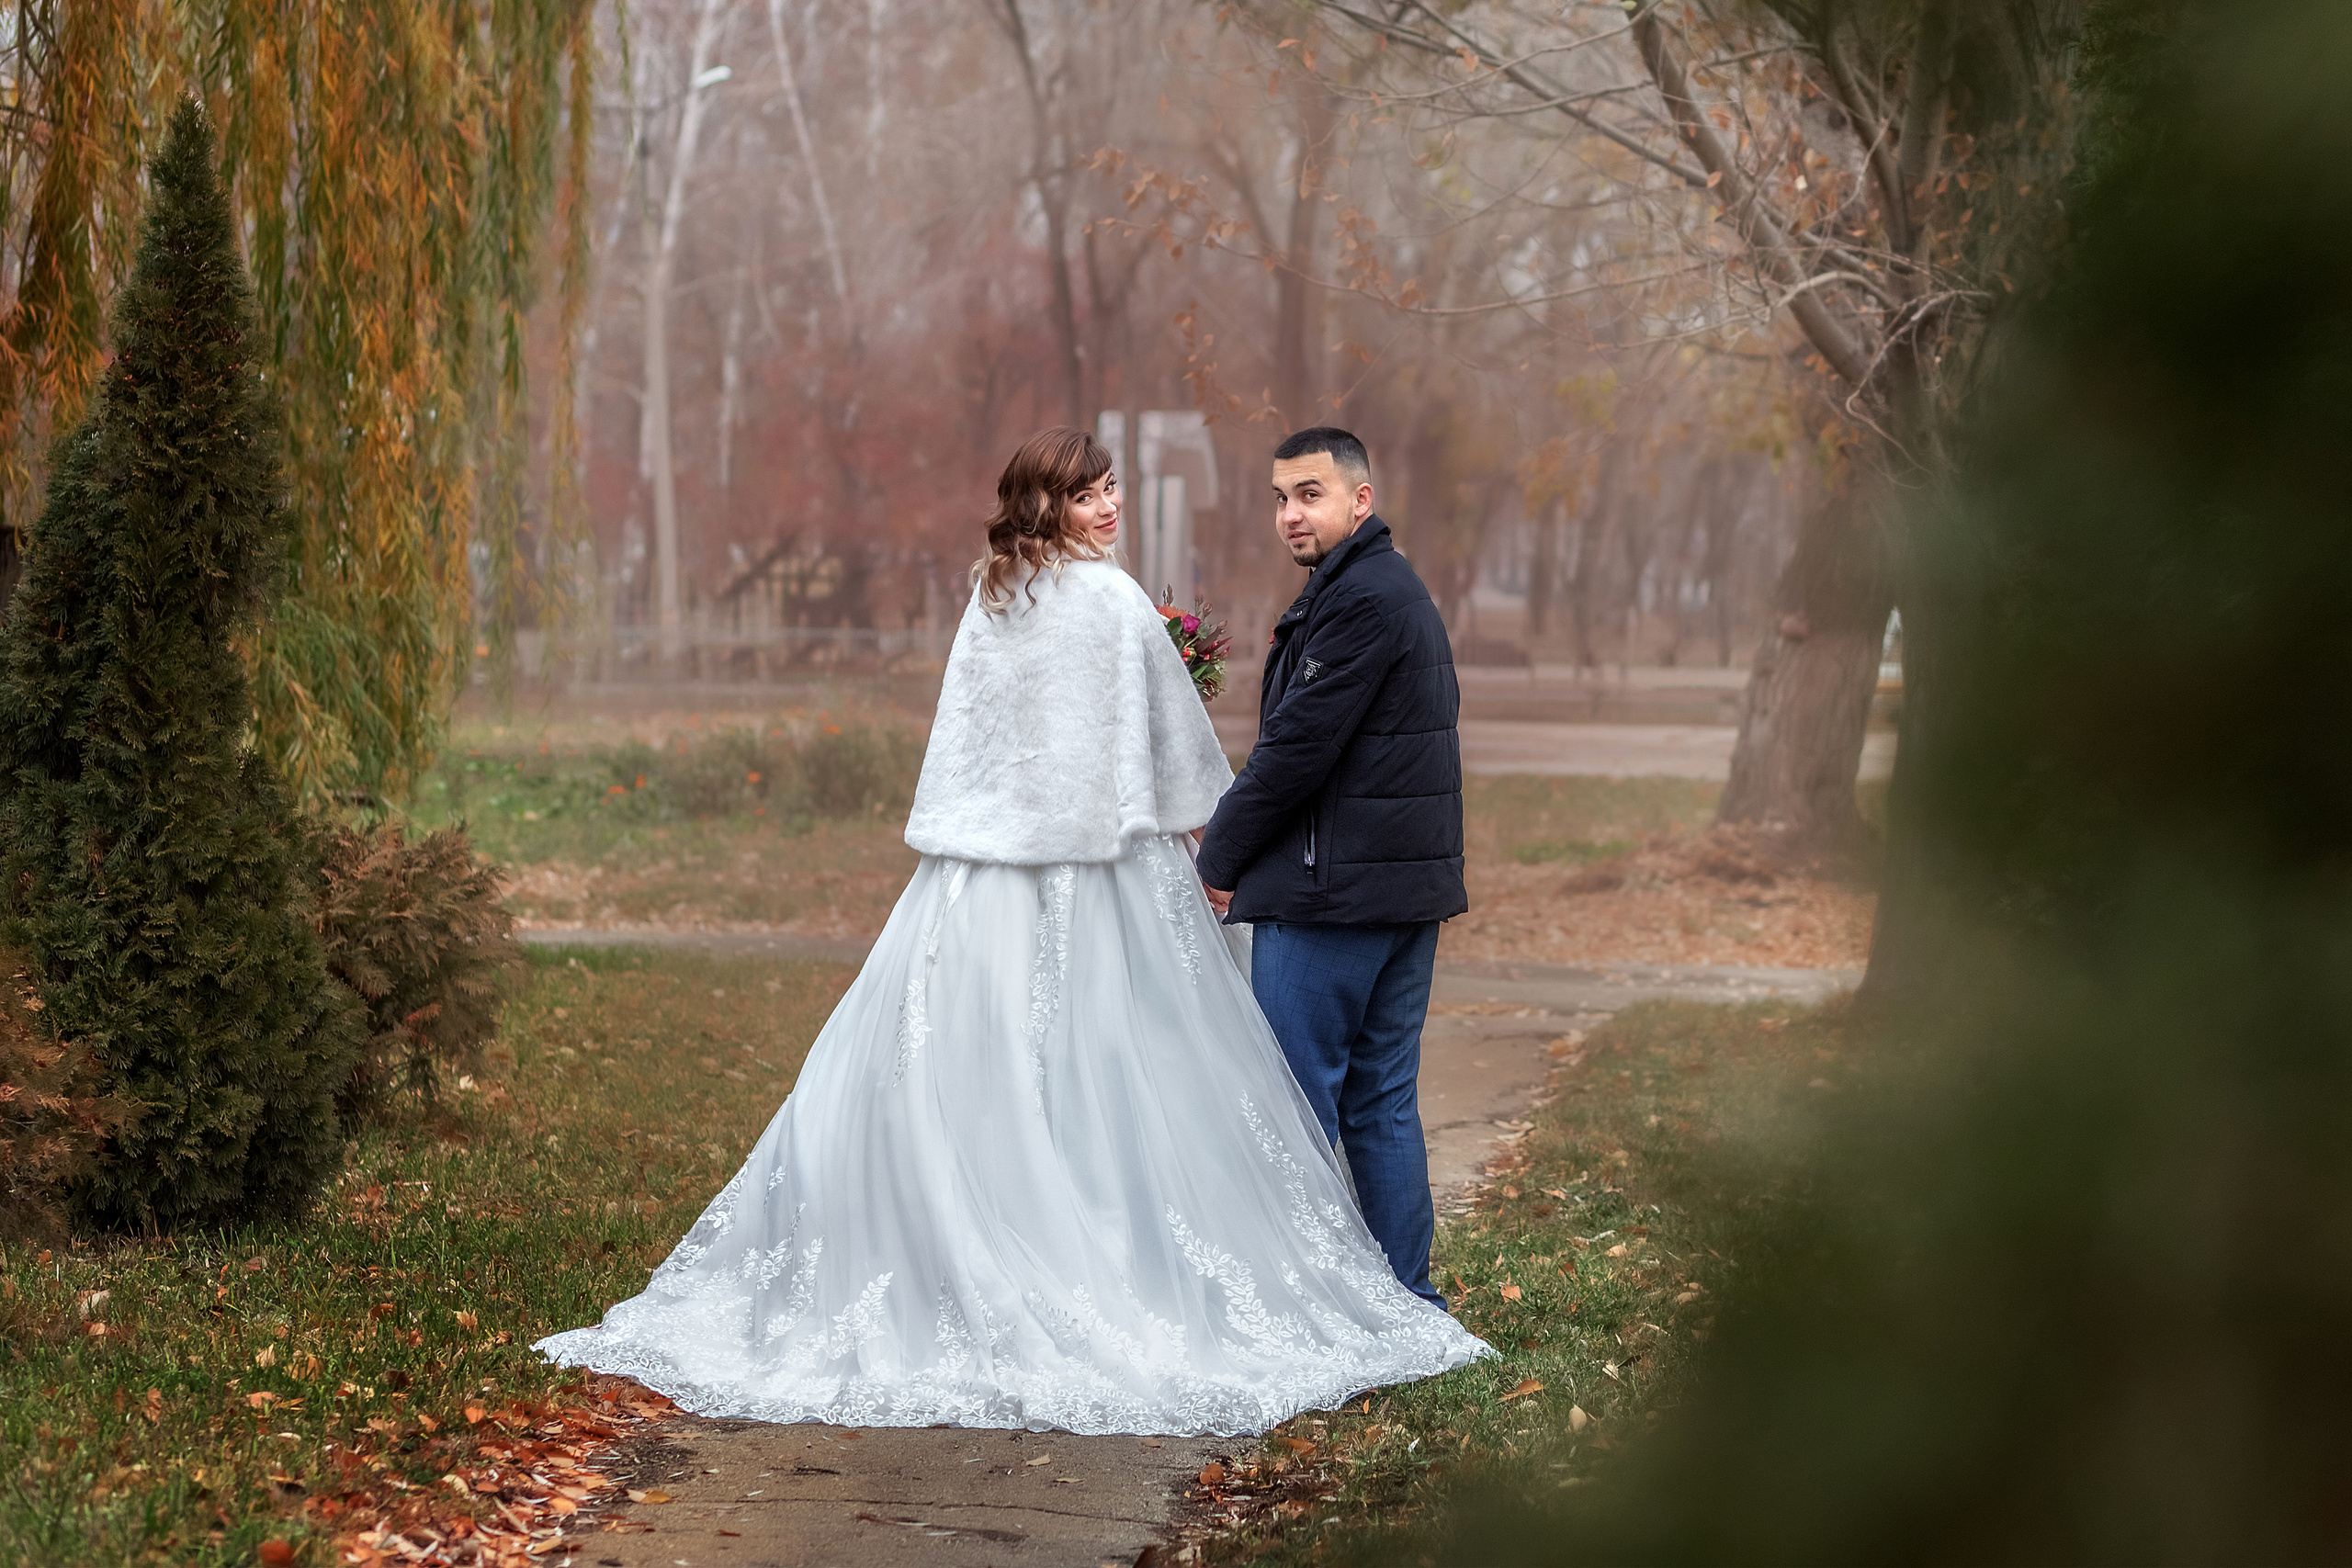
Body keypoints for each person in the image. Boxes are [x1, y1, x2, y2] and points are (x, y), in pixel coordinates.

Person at [536, 428, 1485, 1436]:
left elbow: (980, 740)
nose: (1108, 507)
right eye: (1086, 495)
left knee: (988, 1071)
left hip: (985, 875)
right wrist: (1203, 845)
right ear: (1045, 505)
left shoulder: (993, 599)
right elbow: (1167, 746)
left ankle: (1031, 1244)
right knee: (1161, 1077)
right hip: (1113, 869)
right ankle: (1354, 1283)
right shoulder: (1113, 603)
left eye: (1111, 487)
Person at [1196, 428, 1466, 1309]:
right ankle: (1405, 1300)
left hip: (1333, 900)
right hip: (1392, 893)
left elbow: (1294, 751)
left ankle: (1308, 1308)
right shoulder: (1382, 590)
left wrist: (1222, 854)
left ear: (1361, 498)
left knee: (1292, 1109)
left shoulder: (1360, 602)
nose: (1289, 514)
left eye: (1308, 494)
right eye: (1278, 497)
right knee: (1380, 1102)